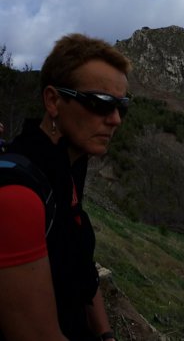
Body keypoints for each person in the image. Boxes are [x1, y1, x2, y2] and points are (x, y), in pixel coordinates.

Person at [0, 34, 128, 340]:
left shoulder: (70, 164)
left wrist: (106, 334)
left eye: (123, 106)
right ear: (54, 101)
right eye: (100, 103)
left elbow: (80, 263)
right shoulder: (17, 194)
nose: (116, 119)